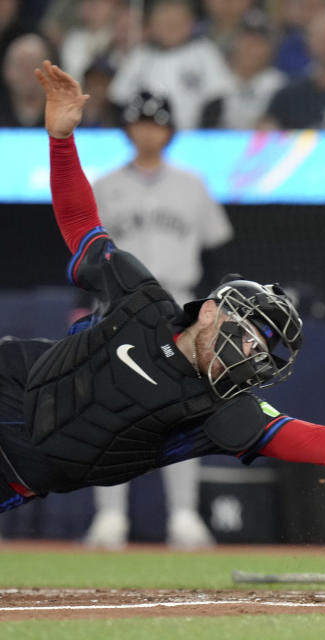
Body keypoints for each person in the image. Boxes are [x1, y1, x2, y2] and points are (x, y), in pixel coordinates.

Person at [0, 61, 325, 519]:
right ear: (212, 313)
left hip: (14, 471)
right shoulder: (140, 298)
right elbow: (81, 223)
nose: (250, 352)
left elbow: (321, 442)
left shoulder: (219, 410)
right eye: (249, 335)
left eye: (261, 351)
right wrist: (62, 141)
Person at [82, 90, 233, 549]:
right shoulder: (104, 183)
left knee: (184, 411)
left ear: (169, 129)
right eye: (140, 123)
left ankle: (184, 517)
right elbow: (86, 253)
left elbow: (218, 244)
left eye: (157, 123)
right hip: (118, 302)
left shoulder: (192, 183)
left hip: (177, 300)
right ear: (128, 129)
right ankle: (110, 518)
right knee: (108, 411)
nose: (148, 131)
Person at [108, 0, 232, 130]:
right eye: (165, 23)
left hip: (191, 137)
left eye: (176, 23)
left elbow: (216, 99)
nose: (171, 29)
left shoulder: (204, 52)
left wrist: (202, 135)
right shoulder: (140, 55)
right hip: (145, 141)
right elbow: (119, 100)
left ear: (191, 23)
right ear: (152, 25)